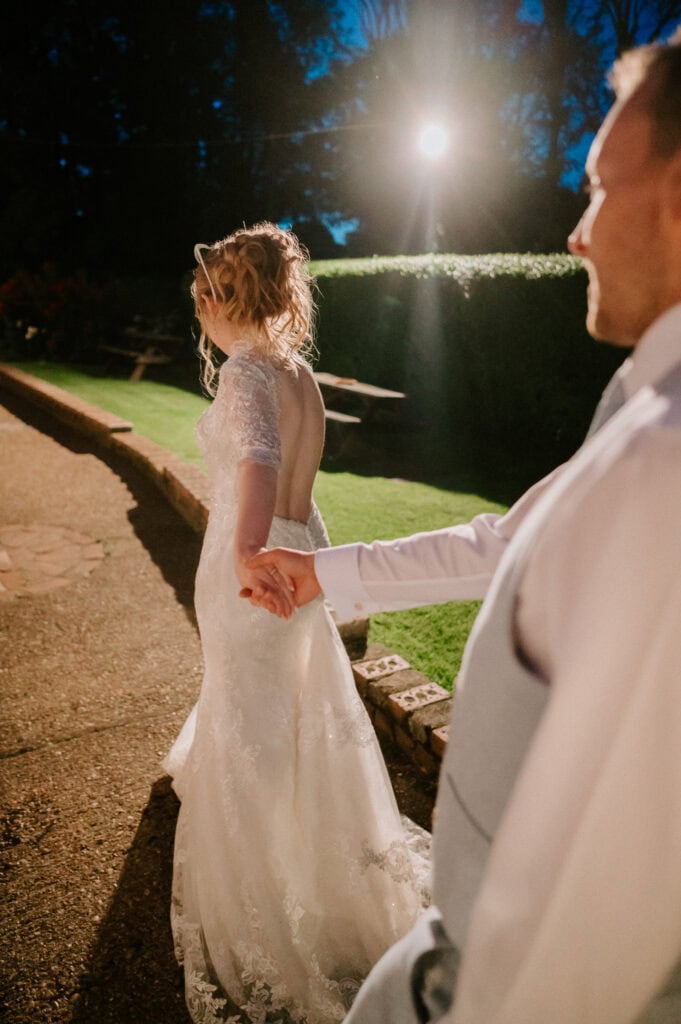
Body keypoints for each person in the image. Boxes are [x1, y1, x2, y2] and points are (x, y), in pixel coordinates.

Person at [246, 30, 681, 1024]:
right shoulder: (649, 407)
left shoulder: (670, 464)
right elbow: (502, 544)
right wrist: (325, 573)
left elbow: (605, 902)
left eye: (599, 189)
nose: (577, 233)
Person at [162, 223, 429, 1024]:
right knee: (294, 713)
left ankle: (269, 889)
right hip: (299, 551)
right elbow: (301, 494)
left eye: (203, 299)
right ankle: (321, 864)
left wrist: (245, 553)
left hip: (252, 568)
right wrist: (295, 554)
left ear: (220, 298)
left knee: (254, 719)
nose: (200, 314)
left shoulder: (245, 374)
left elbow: (259, 469)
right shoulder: (300, 374)